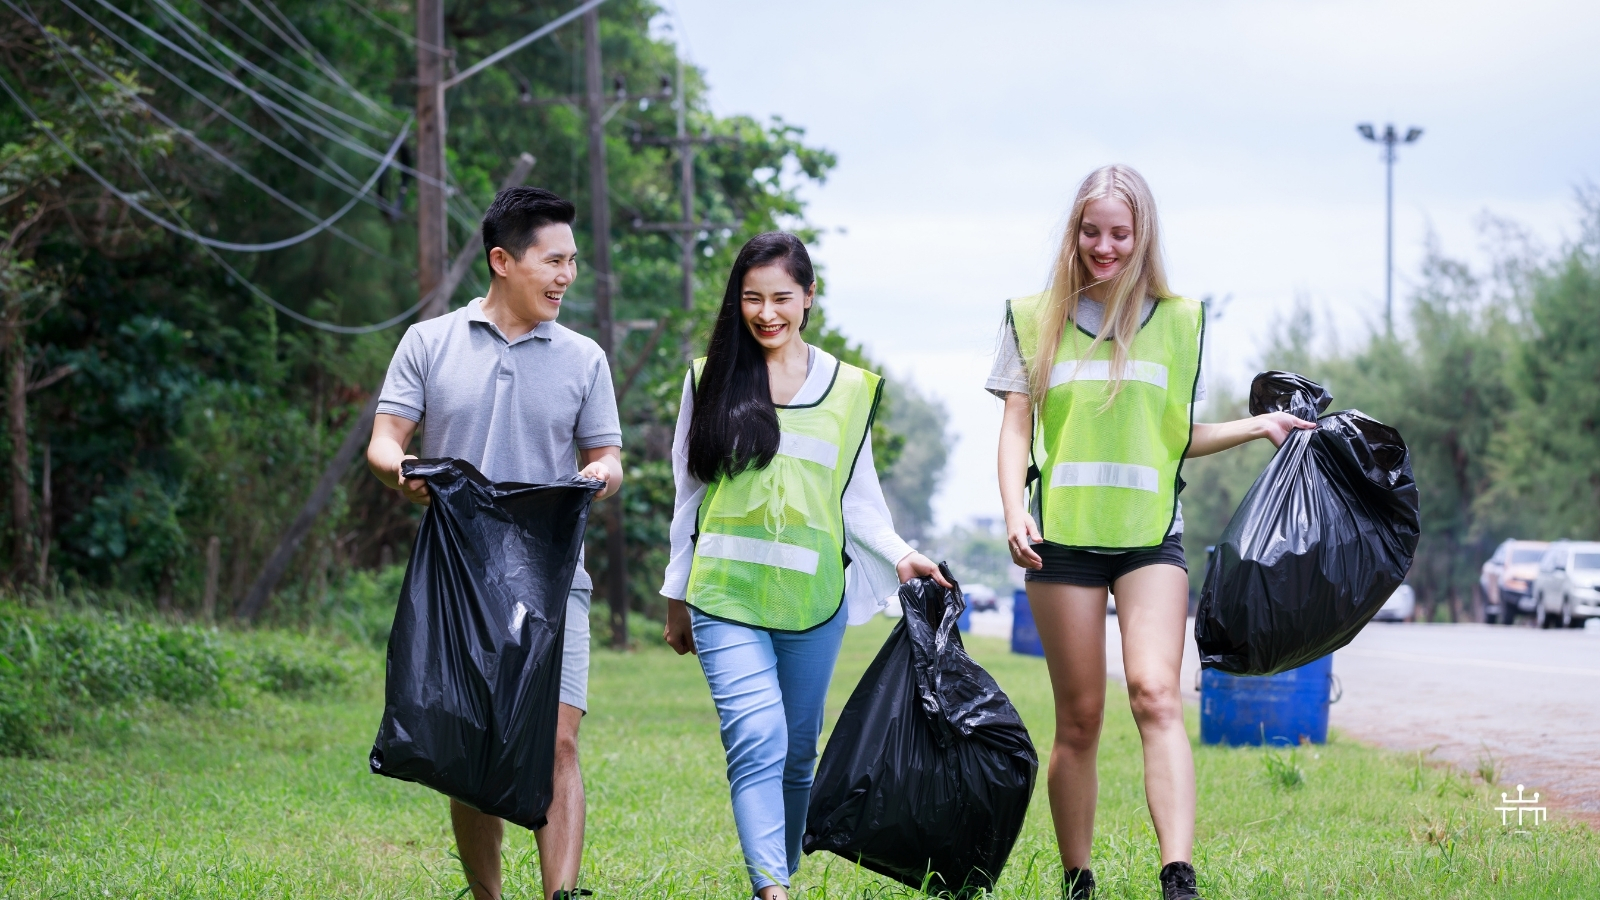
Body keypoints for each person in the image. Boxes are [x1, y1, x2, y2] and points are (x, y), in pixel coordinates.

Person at [990, 165, 1314, 900]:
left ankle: (1178, 875)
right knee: (1080, 718)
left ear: (1143, 238)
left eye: (1119, 233)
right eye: (1091, 230)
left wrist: (1256, 425)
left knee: (1156, 694)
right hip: (1062, 541)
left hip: (1148, 540)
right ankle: (1079, 880)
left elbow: (1174, 436)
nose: (1104, 246)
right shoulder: (1029, 316)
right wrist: (1015, 509)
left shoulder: (1181, 320)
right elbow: (1014, 429)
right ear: (1074, 232)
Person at [659, 232, 946, 900]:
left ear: (808, 297)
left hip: (813, 599)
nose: (766, 313)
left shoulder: (849, 389)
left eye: (781, 297)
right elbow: (689, 494)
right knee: (757, 733)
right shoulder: (710, 379)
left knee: (796, 752)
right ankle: (772, 891)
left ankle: (779, 875)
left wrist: (902, 555)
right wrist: (677, 594)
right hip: (725, 594)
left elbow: (857, 497)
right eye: (752, 298)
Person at [366, 186, 623, 900]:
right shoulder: (430, 342)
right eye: (553, 260)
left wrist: (598, 474)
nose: (566, 276)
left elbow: (609, 456)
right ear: (503, 260)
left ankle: (560, 896)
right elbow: (386, 444)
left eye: (573, 261)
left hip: (552, 577)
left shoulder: (584, 358)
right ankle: (488, 897)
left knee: (556, 741)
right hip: (459, 583)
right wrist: (404, 473)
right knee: (474, 749)